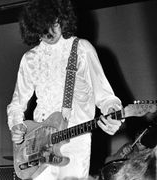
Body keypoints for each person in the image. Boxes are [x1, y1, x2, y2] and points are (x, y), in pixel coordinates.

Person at [7, 0, 123, 179]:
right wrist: (16, 126)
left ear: (62, 19)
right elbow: (16, 105)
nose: (49, 33)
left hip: (75, 141)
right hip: (39, 144)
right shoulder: (29, 59)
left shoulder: (82, 49)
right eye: (42, 28)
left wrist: (112, 111)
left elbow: (106, 97)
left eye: (53, 23)